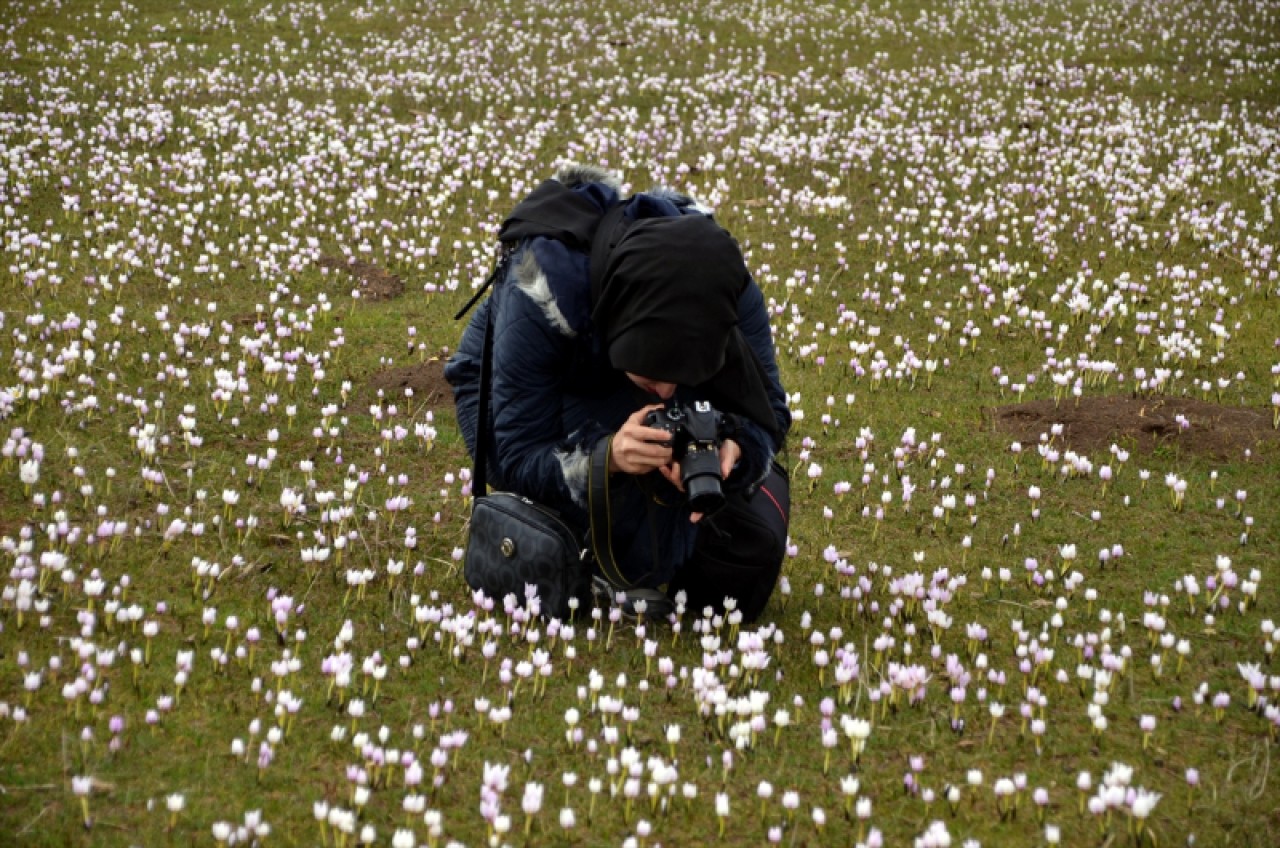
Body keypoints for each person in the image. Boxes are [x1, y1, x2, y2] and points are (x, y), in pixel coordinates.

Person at [445, 164, 791, 621]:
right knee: (612, 510)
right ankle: (592, 548)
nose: (667, 392)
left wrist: (734, 449)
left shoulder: (723, 287)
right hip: (515, 395)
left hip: (607, 357)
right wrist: (605, 458)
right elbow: (518, 452)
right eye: (653, 376)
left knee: (739, 531)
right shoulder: (544, 286)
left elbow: (771, 413)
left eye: (682, 375)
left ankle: (639, 545)